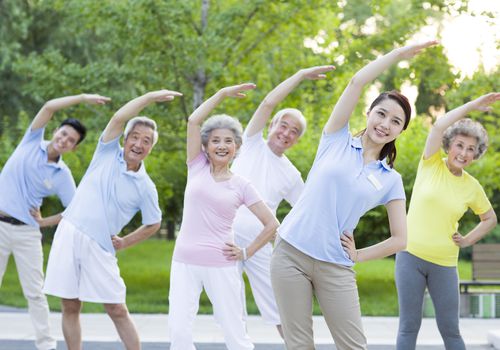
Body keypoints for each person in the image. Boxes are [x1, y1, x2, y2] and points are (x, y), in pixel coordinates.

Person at [270, 40, 437, 350]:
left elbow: (401, 240)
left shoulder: (391, 180)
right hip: (290, 251)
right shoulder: (336, 139)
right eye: (382, 114)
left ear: (401, 131)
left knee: (353, 347)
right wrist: (399, 55)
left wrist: (359, 255)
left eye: (395, 121)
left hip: (335, 264)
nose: (385, 124)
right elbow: (358, 81)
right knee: (298, 345)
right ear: (369, 113)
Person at [42, 89, 182, 350]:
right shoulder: (106, 152)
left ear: (151, 147)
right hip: (70, 232)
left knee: (117, 308)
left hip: (101, 247)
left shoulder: (146, 187)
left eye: (147, 141)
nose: (139, 144)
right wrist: (150, 97)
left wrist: (125, 242)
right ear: (125, 139)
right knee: (70, 305)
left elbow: (153, 223)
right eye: (135, 137)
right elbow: (119, 117)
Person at [168, 83, 280, 350]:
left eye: (228, 141)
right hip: (183, 261)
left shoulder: (241, 184)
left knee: (234, 330)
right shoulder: (196, 167)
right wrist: (221, 94)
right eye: (215, 140)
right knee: (179, 331)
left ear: (237, 147)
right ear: (205, 146)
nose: (221, 145)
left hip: (221, 263)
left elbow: (272, 224)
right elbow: (194, 120)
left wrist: (246, 252)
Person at [0, 93, 110, 350]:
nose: (64, 140)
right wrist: (83, 98)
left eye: (71, 140)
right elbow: (48, 106)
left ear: (74, 147)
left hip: (27, 232)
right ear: (56, 131)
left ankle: (46, 345)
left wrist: (43, 222)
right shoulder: (31, 140)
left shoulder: (62, 175)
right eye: (63, 134)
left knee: (35, 292)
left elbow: (75, 210)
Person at [231, 65, 334, 337]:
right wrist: (300, 76)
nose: (286, 133)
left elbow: (307, 210)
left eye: (294, 131)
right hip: (225, 238)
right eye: (283, 125)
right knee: (231, 310)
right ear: (272, 126)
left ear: (297, 141)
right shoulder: (250, 143)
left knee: (280, 310)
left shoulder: (290, 173)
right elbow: (268, 102)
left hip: (260, 245)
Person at [395, 92, 499, 350]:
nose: (463, 153)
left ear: (476, 155)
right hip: (410, 257)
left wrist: (466, 241)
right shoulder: (430, 164)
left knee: (450, 330)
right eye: (460, 145)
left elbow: (489, 219)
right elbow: (439, 125)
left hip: (444, 264)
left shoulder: (472, 187)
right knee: (409, 326)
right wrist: (473, 106)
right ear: (449, 145)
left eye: (471, 149)